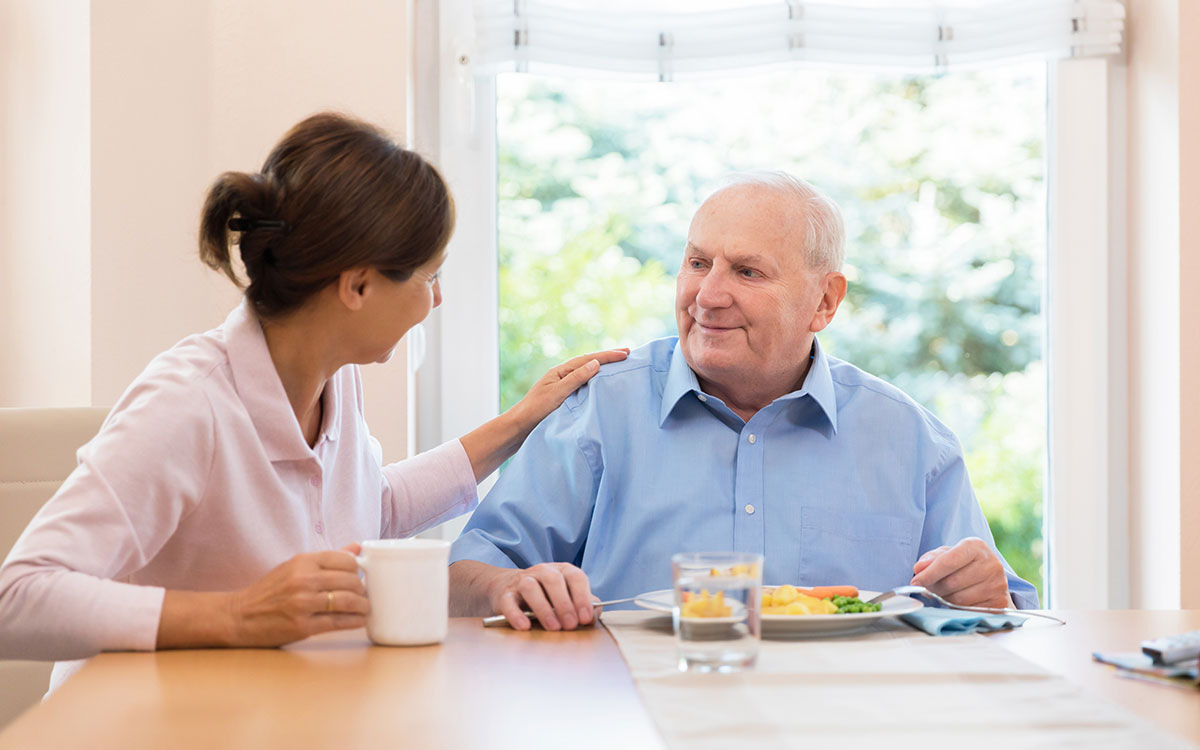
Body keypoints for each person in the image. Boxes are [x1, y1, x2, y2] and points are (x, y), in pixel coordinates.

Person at [0, 112, 626, 689]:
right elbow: (18, 599)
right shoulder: (188, 404)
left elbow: (368, 505)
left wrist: (521, 421)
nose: (436, 300)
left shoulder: (333, 377)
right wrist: (238, 615)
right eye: (429, 276)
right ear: (357, 285)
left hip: (262, 709)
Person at [448, 171, 1038, 631]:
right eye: (698, 262)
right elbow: (464, 573)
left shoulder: (910, 440)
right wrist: (505, 588)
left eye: (748, 272)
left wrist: (989, 602)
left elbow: (999, 612)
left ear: (825, 303)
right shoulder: (598, 410)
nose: (707, 295)